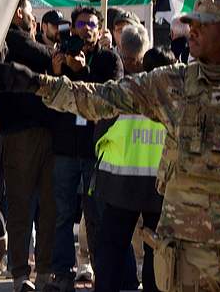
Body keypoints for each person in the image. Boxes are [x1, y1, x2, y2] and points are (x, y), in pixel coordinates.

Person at [0, 0, 220, 291]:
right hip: (186, 255)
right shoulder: (171, 84)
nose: (191, 31)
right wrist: (38, 84)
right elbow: (102, 98)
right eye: (190, 24)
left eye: (202, 26)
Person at [47, 5, 120, 292]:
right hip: (65, 148)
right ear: (73, 27)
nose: (86, 29)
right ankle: (62, 274)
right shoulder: (61, 58)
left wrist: (83, 71)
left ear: (100, 29)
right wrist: (57, 74)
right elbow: (50, 102)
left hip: (95, 150)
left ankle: (103, 275)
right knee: (63, 215)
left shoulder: (109, 60)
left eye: (91, 24)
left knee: (97, 216)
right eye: (81, 24)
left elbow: (110, 97)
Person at [92, 41, 172, 292]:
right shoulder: (177, 104)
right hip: (161, 189)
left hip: (120, 187)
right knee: (156, 252)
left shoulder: (125, 95)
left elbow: (99, 137)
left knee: (111, 250)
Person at [0, 0, 56, 291]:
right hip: (20, 134)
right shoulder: (10, 38)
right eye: (31, 14)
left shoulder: (32, 40)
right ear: (18, 12)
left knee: (49, 208)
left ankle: (45, 270)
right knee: (21, 207)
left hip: (48, 131)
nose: (34, 19)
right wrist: (55, 54)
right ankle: (21, 272)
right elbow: (43, 56)